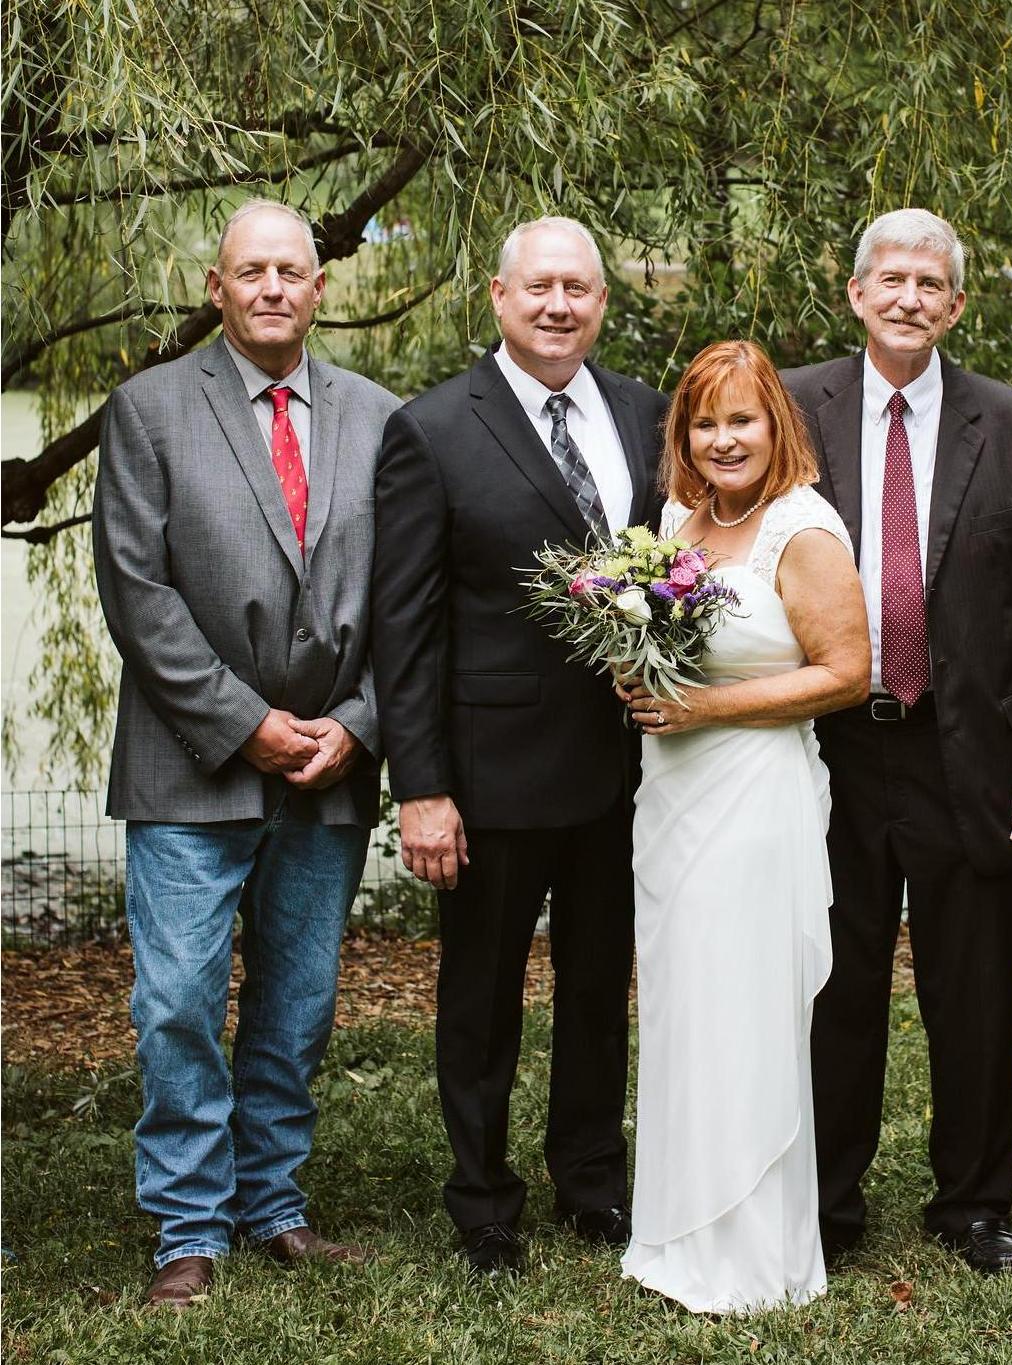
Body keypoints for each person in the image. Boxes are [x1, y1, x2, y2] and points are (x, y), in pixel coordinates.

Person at [92, 199, 400, 1307]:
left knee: (299, 1001)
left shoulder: (381, 419)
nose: (273, 287)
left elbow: (410, 600)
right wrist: (243, 724)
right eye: (251, 270)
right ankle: (188, 1223)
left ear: (321, 288)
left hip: (329, 764)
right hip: (192, 762)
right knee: (177, 999)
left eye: (291, 270)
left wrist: (359, 722)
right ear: (216, 288)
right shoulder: (149, 409)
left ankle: (271, 1201)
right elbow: (137, 592)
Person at [370, 216, 668, 1274]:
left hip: (627, 769)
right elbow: (405, 626)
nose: (558, 305)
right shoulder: (431, 429)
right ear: (498, 297)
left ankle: (590, 1178)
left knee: (598, 986)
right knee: (482, 996)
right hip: (490, 774)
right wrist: (422, 788)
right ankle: (483, 1198)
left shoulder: (645, 412)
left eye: (577, 288)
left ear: (601, 302)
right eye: (538, 287)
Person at [783, 208, 1012, 1274]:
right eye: (891, 279)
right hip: (829, 748)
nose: (909, 298)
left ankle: (975, 1204)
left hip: (971, 751)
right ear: (856, 294)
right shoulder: (792, 407)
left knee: (974, 986)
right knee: (834, 981)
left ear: (955, 305)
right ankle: (825, 1204)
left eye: (929, 284)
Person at [616, 340, 870, 1313]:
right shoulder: (676, 522)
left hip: (755, 796)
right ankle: (678, 1230)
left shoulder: (803, 529)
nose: (722, 440)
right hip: (671, 797)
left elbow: (846, 674)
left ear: (776, 426)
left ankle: (755, 1252)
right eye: (704, 423)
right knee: (685, 1005)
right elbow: (662, 657)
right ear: (682, 437)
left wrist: (703, 708)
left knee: (747, 1009)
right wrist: (631, 663)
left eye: (741, 420)